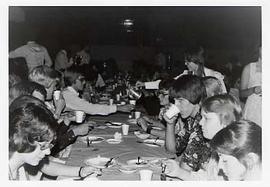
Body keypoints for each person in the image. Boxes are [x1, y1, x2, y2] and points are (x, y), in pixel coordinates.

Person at [9, 98, 99, 180]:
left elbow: (45, 165)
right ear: (20, 138)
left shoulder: (20, 162)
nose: (48, 152)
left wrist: (80, 171)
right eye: (43, 146)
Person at [163, 94, 242, 180]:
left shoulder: (233, 157)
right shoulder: (218, 149)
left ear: (225, 123)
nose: (200, 123)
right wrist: (179, 172)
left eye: (206, 118)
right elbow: (208, 178)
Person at [163, 75, 210, 172]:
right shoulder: (190, 120)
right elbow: (172, 150)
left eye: (180, 101)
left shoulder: (202, 123)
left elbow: (185, 169)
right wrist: (170, 124)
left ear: (194, 97)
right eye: (174, 101)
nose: (176, 106)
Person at [62, 67, 134, 115]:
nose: (84, 82)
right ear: (73, 80)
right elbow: (91, 108)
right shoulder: (68, 95)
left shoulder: (70, 93)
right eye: (81, 80)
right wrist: (118, 108)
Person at [240, 46, 262, 126]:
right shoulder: (249, 68)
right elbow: (241, 94)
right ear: (259, 49)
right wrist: (253, 90)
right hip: (253, 108)